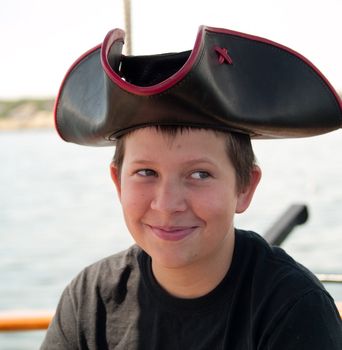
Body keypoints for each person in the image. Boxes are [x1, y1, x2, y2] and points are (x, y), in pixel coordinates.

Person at [41, 25, 342, 349]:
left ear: (244, 187)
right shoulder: (90, 301)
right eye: (146, 172)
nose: (168, 204)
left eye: (199, 175)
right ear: (117, 182)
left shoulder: (293, 308)